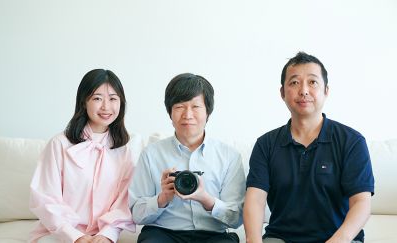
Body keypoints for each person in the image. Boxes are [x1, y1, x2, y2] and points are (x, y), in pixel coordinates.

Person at [243, 52, 375, 243]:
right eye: (294, 82)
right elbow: (255, 200)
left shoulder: (351, 141)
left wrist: (339, 240)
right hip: (281, 238)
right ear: (282, 93)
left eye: (312, 82)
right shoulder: (266, 144)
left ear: (326, 90)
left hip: (338, 238)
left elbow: (362, 202)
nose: (303, 90)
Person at [129, 73, 245, 243]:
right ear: (170, 113)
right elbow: (136, 214)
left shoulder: (229, 157)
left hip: (213, 235)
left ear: (208, 112)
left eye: (196, 107)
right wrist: (162, 199)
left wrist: (206, 199)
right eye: (180, 107)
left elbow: (237, 218)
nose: (187, 114)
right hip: (163, 233)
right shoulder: (151, 154)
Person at [29, 69, 136, 243]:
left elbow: (124, 202)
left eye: (113, 98)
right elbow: (45, 198)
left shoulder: (125, 151)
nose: (106, 107)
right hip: (59, 234)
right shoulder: (59, 144)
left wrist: (107, 234)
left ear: (121, 103)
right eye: (97, 98)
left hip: (102, 235)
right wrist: (75, 236)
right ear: (83, 102)